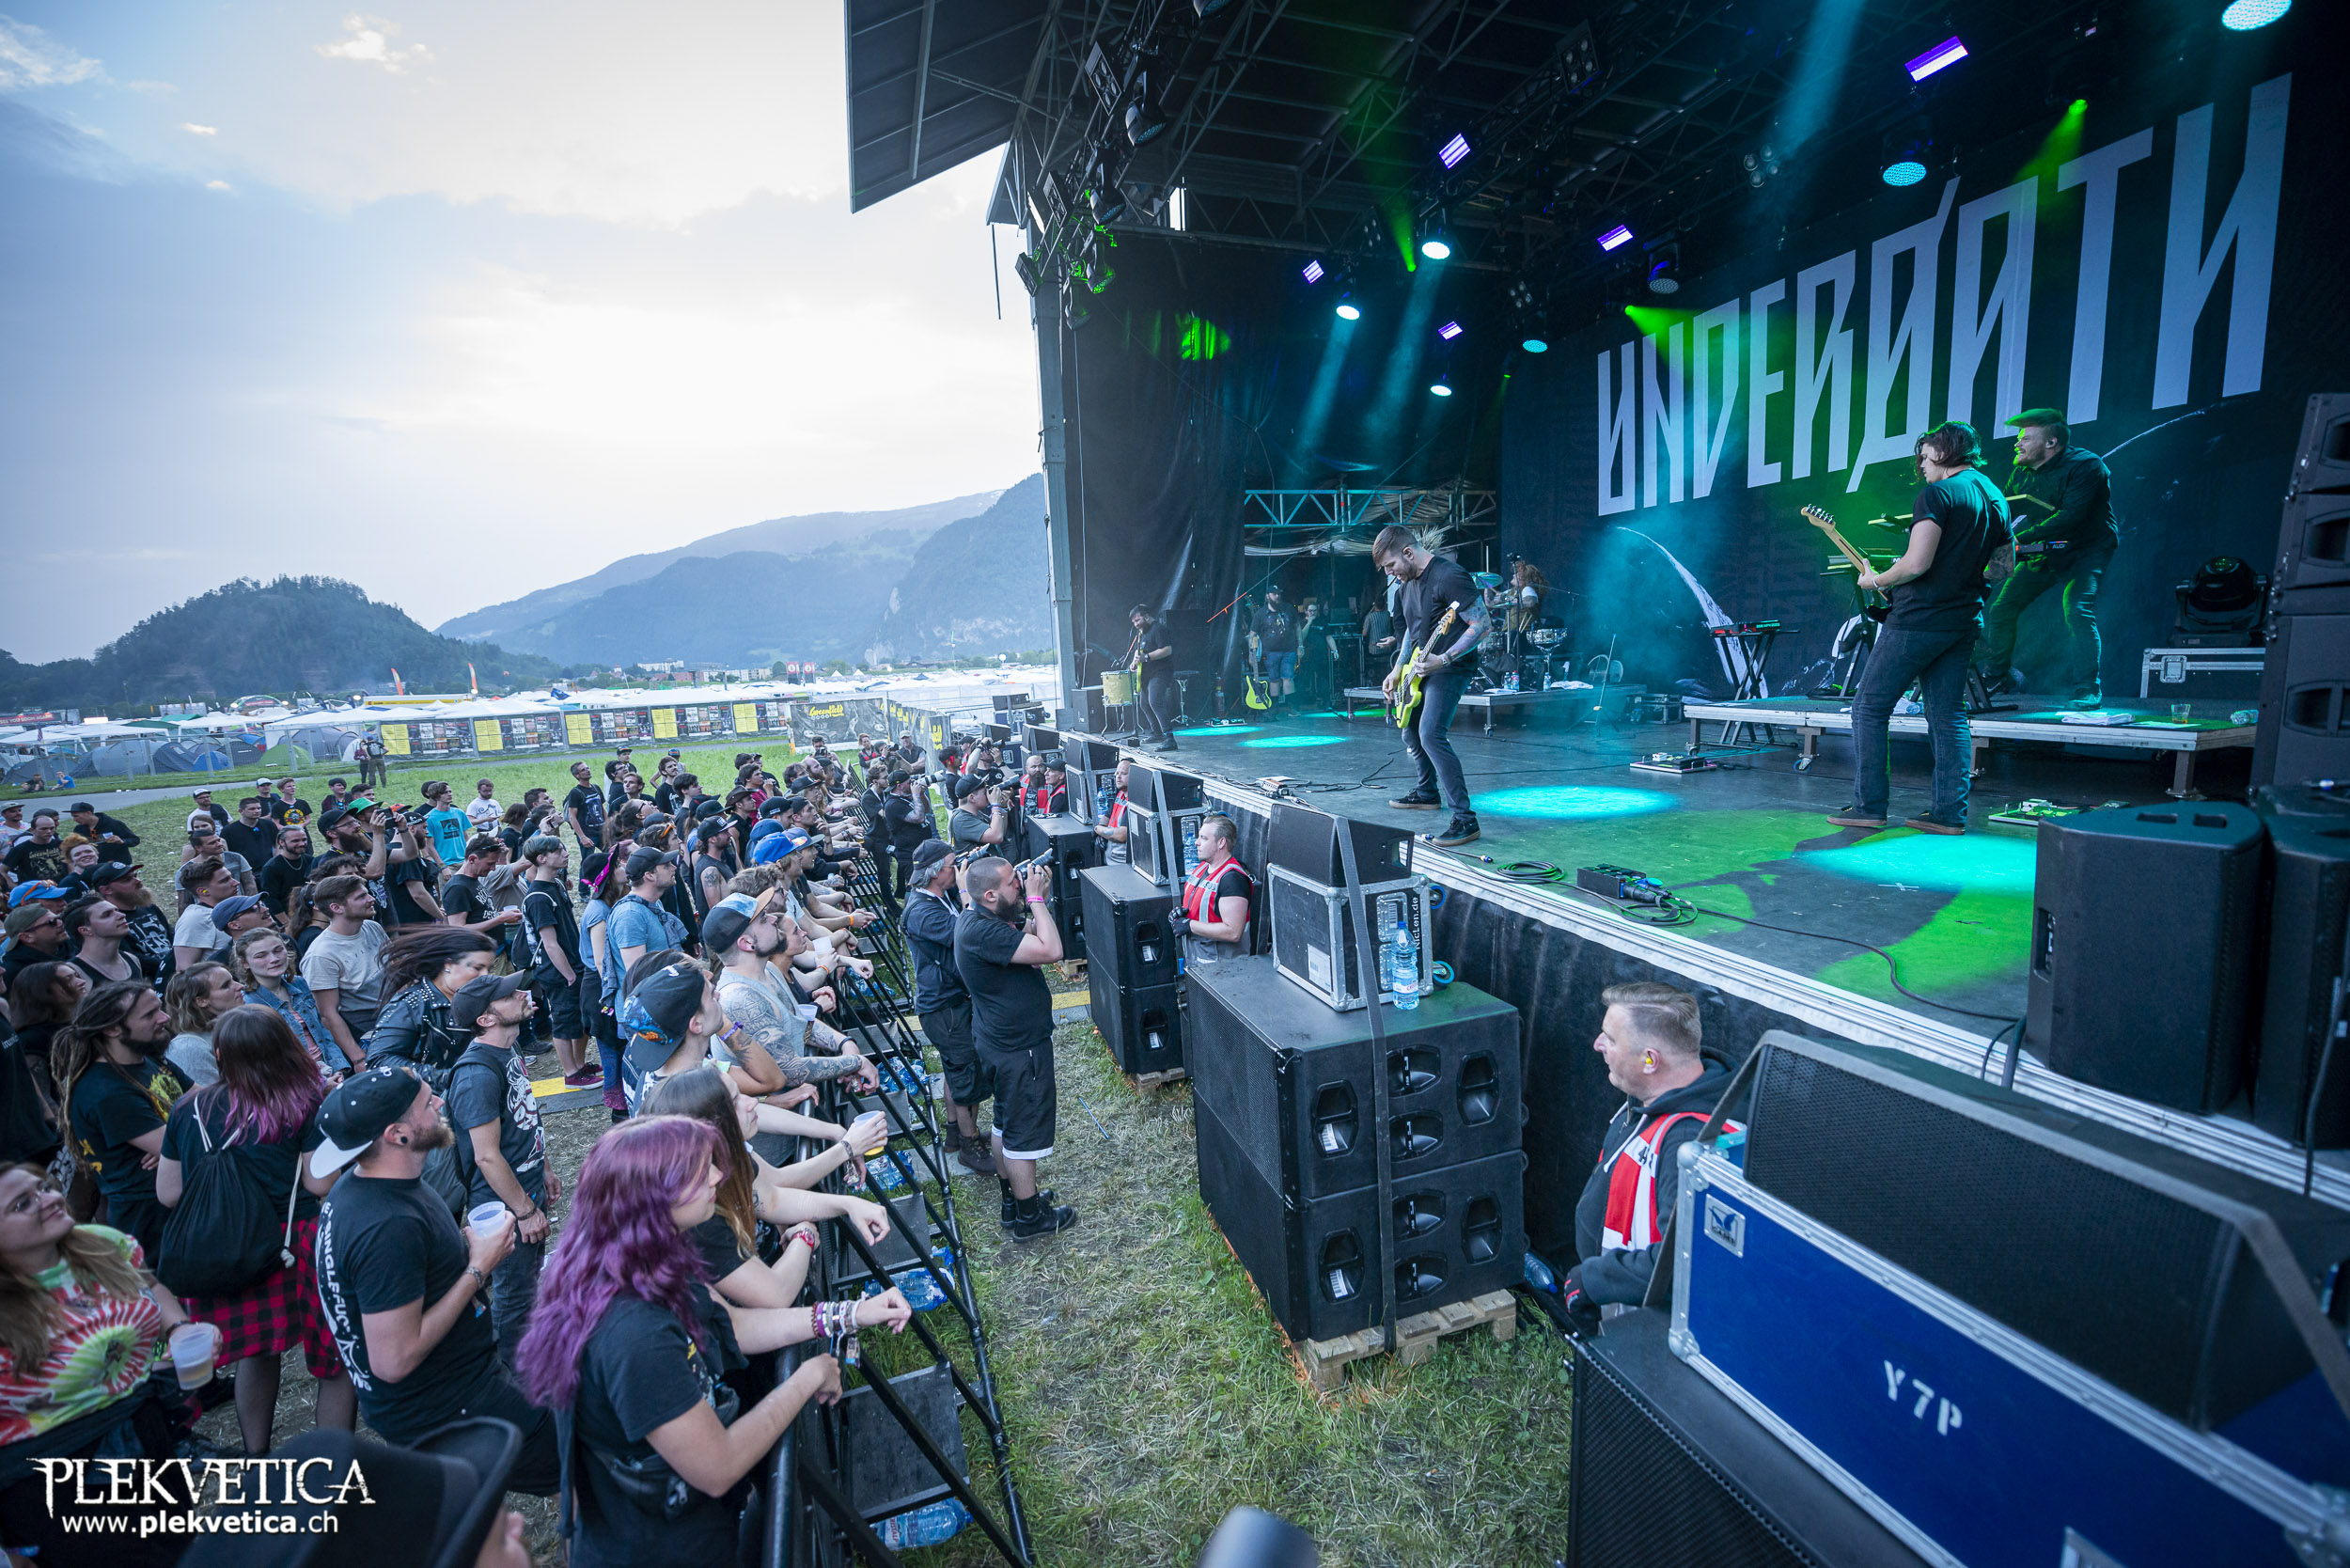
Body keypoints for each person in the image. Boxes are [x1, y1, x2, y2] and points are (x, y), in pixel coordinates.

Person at [514, 1116, 890, 1568]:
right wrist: (806, 1378)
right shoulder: (634, 1334)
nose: (717, 1176)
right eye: (699, 1172)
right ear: (655, 1197)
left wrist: (849, 1315)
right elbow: (719, 1464)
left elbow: (735, 1326)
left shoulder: (644, 1259)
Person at [308, 1067, 558, 1493]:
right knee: (577, 1463)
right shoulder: (385, 1226)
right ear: (397, 1134)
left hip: (452, 1389)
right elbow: (393, 1360)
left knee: (472, 1508)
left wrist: (462, 1253)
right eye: (427, 1103)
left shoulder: (363, 1186)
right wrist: (478, 1268)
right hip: (448, 1405)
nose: (442, 1103)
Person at [154, 1006, 355, 1454]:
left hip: (224, 1245)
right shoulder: (305, 1100)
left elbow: (168, 1193)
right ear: (286, 1048)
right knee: (335, 1358)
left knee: (257, 1352)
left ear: (220, 1054)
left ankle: (256, 1454)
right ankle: (334, 1463)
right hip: (293, 1243)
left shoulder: (189, 1108)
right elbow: (319, 1183)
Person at [0, 1164, 196, 1565]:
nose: (49, 1199)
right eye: (22, 1204)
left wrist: (179, 1329)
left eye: (45, 1187)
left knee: (183, 1553)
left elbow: (150, 1286)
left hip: (144, 1434)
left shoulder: (101, 1244)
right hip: (53, 1477)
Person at [1828, 420, 2013, 835]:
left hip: (1919, 620)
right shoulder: (1994, 497)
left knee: (1868, 707)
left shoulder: (1938, 494)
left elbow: (1915, 564)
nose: (1922, 466)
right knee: (1948, 715)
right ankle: (1949, 814)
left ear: (1944, 453)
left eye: (1925, 457)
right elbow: (2003, 568)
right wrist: (1961, 580)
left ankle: (1869, 808)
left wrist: (1875, 580)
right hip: (1963, 620)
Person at [1562, 982, 1735, 1332]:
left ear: (1650, 1060)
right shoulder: (1654, 1100)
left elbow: (1683, 1263)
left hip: (1646, 1328)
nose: (1598, 1044)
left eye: (1611, 1039)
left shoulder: (1688, 1142)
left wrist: (1594, 1281)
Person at [953, 856, 1073, 1238]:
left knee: (1005, 1120)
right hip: (1018, 1048)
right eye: (1012, 883)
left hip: (1000, 1041)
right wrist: (1036, 900)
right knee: (1023, 1132)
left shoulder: (980, 919)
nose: (1020, 884)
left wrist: (1040, 900)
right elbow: (1051, 951)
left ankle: (1014, 1202)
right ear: (990, 895)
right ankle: (1029, 1219)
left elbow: (1032, 936)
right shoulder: (984, 932)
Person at [445, 973, 553, 1367]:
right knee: (515, 1299)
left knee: (530, 1286)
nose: (524, 994)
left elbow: (523, 1117)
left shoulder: (510, 1048)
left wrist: (544, 1167)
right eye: (510, 994)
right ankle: (513, 1376)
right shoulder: (476, 1074)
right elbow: (486, 1156)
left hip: (525, 1190)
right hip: (504, 1208)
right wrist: (524, 1211)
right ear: (486, 1019)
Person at [1979, 407, 2120, 709]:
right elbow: (2003, 514)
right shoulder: (2021, 472)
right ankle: (1997, 677)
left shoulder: (2087, 466)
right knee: (2002, 608)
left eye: (2025, 438)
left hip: (2085, 552)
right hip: (2044, 550)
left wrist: (2018, 541)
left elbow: (2070, 517)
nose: (2017, 443)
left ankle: (2087, 689)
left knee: (2077, 609)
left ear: (2051, 443)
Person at [56, 981, 191, 1262]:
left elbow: (207, 1102)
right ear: (112, 1029)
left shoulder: (147, 1057)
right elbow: (193, 1145)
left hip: (177, 1208)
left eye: (159, 1009)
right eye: (149, 1014)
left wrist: (173, 1141)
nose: (164, 1018)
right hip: (151, 1224)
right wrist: (177, 1141)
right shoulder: (106, 1092)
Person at [1373, 525, 1489, 848]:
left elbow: (1482, 624)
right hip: (1421, 665)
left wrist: (1445, 658)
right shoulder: (1406, 587)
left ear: (1408, 553)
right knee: (1409, 730)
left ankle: (1465, 819)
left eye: (1391, 565)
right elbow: (1412, 634)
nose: (1390, 573)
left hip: (1452, 666)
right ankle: (1427, 793)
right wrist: (1398, 668)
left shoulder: (1449, 576)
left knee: (1430, 734)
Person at [703, 892, 875, 1103]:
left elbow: (798, 1023)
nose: (773, 918)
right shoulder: (740, 998)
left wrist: (844, 1043)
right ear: (747, 943)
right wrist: (855, 1063)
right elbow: (792, 1070)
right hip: (769, 1119)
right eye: (763, 919)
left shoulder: (769, 970)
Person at [902, 841, 994, 1173]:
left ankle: (955, 1134)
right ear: (934, 873)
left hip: (948, 1003)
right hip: (944, 1007)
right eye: (952, 865)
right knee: (967, 1074)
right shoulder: (922, 912)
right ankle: (971, 1146)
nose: (957, 870)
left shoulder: (935, 898)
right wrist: (968, 893)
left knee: (955, 1069)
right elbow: (967, 934)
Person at [366, 926, 498, 1094]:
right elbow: (379, 1062)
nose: (485, 976)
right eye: (477, 968)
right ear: (448, 965)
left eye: (489, 969)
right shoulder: (410, 1005)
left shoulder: (480, 998)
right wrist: (450, 1078)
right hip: (427, 1101)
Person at [232, 926, 349, 1076]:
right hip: (297, 1079)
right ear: (244, 963)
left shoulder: (299, 983)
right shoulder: (247, 1003)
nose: (274, 959)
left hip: (329, 1069)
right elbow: (266, 1061)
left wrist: (338, 1069)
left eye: (278, 950)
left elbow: (322, 1031)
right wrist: (320, 1083)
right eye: (261, 956)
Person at [300, 874, 387, 1071]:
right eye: (361, 897)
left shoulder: (372, 927)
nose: (371, 899)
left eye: (367, 894)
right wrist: (358, 1059)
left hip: (395, 1013)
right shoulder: (321, 955)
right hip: (366, 1028)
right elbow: (328, 1015)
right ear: (336, 908)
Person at [0, 964, 81, 1168]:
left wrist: (51, 1121)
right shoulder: (33, 1038)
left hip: (41, 1137)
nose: (3, 970)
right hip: (13, 1155)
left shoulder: (2, 1010)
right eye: (68, 980)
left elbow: (25, 1074)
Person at [615, 961, 723, 1114]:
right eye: (711, 995)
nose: (718, 995)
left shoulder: (654, 1075)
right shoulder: (698, 1102)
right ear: (696, 1024)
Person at [1168, 813, 1252, 966]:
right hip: (1198, 962)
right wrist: (1182, 915)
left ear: (1221, 843)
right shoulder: (1202, 868)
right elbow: (1204, 909)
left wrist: (1189, 925)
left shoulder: (1232, 879)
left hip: (1222, 969)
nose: (1196, 842)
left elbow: (1233, 932)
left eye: (1204, 838)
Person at [607, 847, 687, 1000]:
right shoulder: (630, 915)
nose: (674, 868)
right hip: (648, 1008)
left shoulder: (653, 904)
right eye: (666, 866)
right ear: (649, 875)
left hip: (663, 999)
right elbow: (638, 977)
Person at [87, 863, 174, 990]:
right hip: (150, 984)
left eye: (135, 876)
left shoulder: (149, 908)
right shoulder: (108, 922)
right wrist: (171, 965)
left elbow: (172, 936)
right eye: (127, 880)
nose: (138, 881)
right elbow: (129, 957)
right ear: (106, 890)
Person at [162, 961, 243, 1088]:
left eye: (234, 980)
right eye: (226, 985)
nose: (240, 986)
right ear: (201, 1001)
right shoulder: (188, 1048)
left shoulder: (237, 1027)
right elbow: (210, 1098)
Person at [172, 856, 240, 971]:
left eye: (231, 877)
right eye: (225, 880)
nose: (236, 883)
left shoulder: (229, 911)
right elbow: (184, 969)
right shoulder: (195, 918)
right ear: (203, 891)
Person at [1128, 604, 1180, 751]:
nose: (1136, 624)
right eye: (1134, 622)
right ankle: (1157, 733)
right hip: (1146, 674)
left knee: (1155, 701)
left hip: (1160, 672)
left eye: (1137, 620)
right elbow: (1138, 652)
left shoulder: (1159, 629)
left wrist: (1146, 657)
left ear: (1146, 616)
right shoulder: (1141, 633)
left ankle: (1169, 738)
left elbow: (1167, 650)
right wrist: (1134, 663)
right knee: (1144, 704)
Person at [61, 898, 140, 993]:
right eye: (107, 915)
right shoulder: (74, 971)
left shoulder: (132, 959)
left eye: (117, 910)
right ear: (85, 930)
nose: (122, 915)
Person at [1252, 585, 1302, 714]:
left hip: (1289, 650)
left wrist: (1300, 645)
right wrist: (1251, 653)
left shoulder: (1288, 609)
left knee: (1288, 677)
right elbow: (1253, 634)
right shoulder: (1261, 613)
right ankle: (1274, 707)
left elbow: (1297, 627)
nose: (1277, 596)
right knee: (1273, 679)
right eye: (1274, 594)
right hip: (1270, 652)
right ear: (1267, 596)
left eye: (1279, 593)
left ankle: (1292, 707)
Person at [1, 902, 71, 986]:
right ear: (27, 937)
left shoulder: (73, 945)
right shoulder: (15, 972)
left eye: (59, 918)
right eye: (52, 922)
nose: (60, 923)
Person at [256, 823, 314, 917]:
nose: (302, 844)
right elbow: (271, 899)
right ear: (281, 842)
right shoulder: (272, 867)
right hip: (288, 916)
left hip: (311, 914)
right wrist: (286, 923)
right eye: (295, 841)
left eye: (304, 840)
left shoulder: (310, 860)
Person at [2, 811, 71, 886]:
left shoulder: (62, 845)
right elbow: (2, 870)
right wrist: (16, 889)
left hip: (62, 888)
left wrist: (71, 881)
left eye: (52, 828)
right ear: (32, 830)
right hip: (35, 891)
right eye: (43, 829)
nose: (49, 831)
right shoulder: (21, 849)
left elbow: (72, 864)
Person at [420, 782, 471, 872]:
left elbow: (466, 837)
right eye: (445, 792)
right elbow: (429, 846)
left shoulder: (459, 813)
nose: (449, 794)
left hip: (464, 862)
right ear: (436, 796)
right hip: (447, 865)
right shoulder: (430, 818)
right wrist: (442, 866)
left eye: (450, 791)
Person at [1092, 758, 1134, 865]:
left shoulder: (1134, 802)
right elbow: (1107, 816)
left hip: (1121, 863)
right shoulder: (1120, 794)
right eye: (1117, 773)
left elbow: (1122, 835)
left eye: (1123, 773)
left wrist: (1098, 829)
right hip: (1110, 859)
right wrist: (1101, 827)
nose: (1118, 777)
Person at [65, 802, 138, 860]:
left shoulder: (113, 824)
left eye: (76, 816)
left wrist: (122, 841)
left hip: (117, 865)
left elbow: (135, 840)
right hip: (93, 866)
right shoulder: (78, 829)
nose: (74, 820)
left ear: (88, 813)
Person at [220, 796, 279, 869]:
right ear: (241, 811)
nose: (257, 811)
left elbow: (278, 844)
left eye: (259, 808)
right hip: (244, 869)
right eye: (252, 809)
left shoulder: (269, 825)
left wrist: (276, 860)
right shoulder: (228, 830)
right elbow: (226, 853)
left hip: (268, 867)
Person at [565, 760, 608, 855]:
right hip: (588, 834)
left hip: (601, 832)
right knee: (588, 860)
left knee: (612, 855)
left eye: (588, 768)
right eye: (583, 770)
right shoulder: (575, 792)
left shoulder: (595, 788)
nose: (587, 770)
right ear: (577, 775)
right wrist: (582, 837)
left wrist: (608, 825)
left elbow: (602, 808)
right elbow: (572, 817)